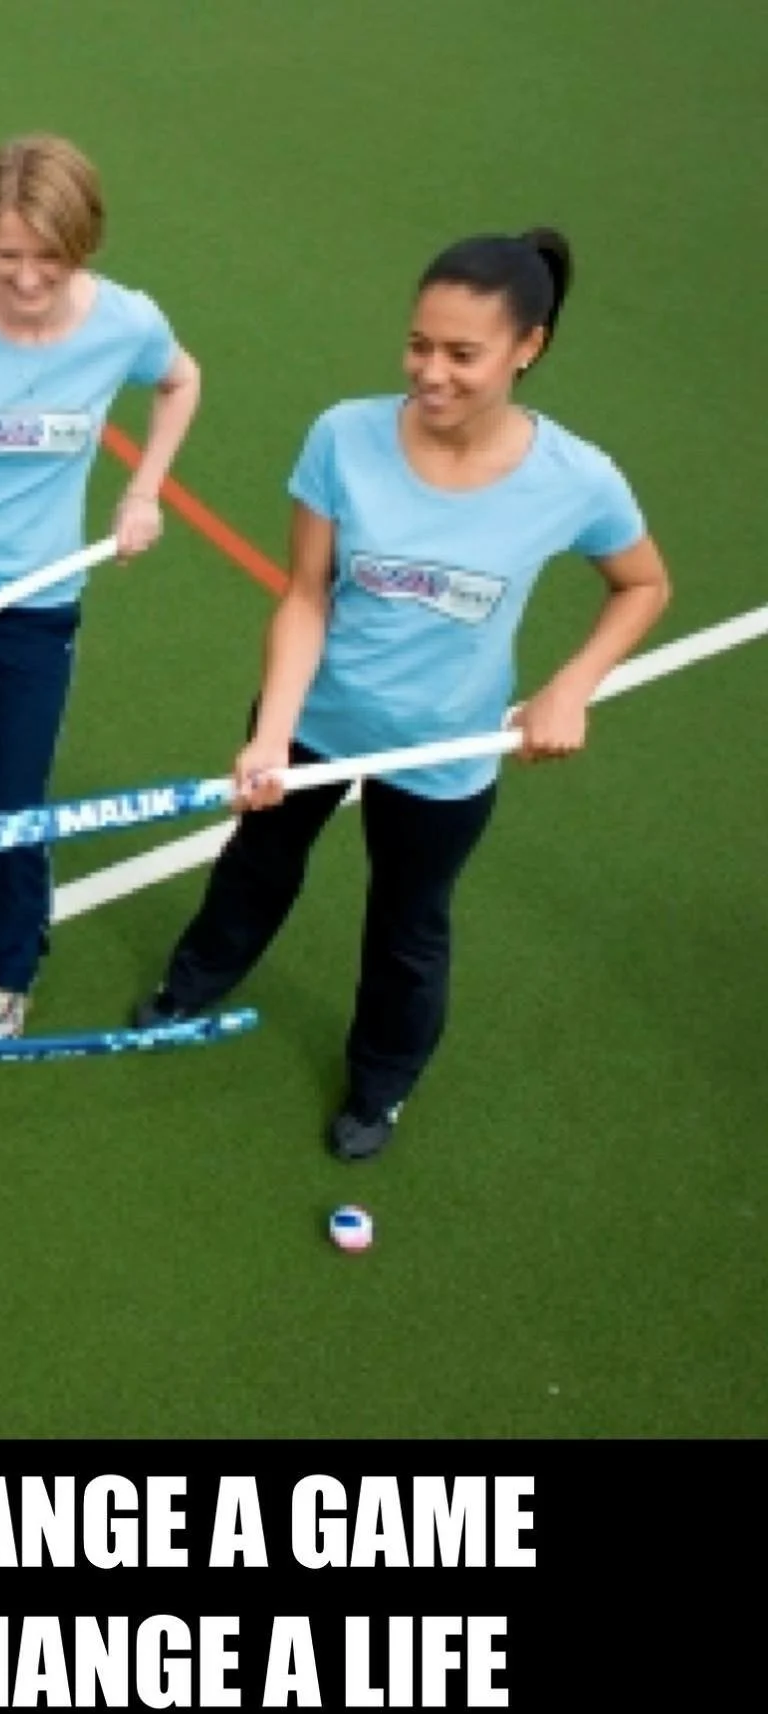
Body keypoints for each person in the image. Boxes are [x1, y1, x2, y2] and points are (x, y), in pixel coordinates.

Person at [132, 228, 671, 1159]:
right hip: (314, 720)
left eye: (463, 353)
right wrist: (276, 733)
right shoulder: (344, 435)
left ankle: (382, 1083)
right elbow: (304, 595)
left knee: (409, 925)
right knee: (258, 862)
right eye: (420, 344)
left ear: (527, 347)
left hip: (445, 754)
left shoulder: (576, 479)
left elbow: (644, 584)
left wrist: (570, 686)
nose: (432, 371)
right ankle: (194, 983)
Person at [0, 135, 201, 1038]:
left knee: (15, 797)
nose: (25, 279)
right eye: (6, 255)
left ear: (83, 243)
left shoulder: (125, 324)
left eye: (48, 260)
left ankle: (12, 960)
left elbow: (181, 381)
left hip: (33, 603)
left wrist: (144, 492)